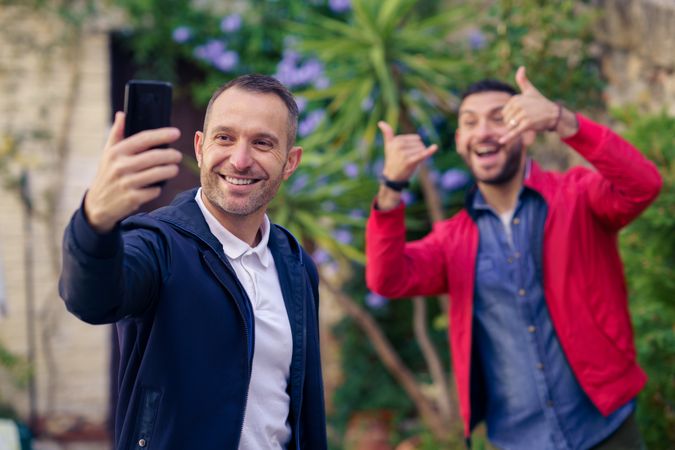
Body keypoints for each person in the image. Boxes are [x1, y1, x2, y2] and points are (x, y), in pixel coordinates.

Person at [365, 67, 662, 449]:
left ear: (528, 130)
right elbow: (386, 279)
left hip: (605, 427)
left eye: (500, 118)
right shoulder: (452, 240)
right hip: (517, 439)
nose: (484, 131)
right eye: (470, 123)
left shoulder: (577, 197)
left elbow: (643, 185)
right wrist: (391, 188)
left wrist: (562, 118)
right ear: (459, 141)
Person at [59, 74, 327, 449]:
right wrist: (94, 222)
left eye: (263, 143)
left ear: (290, 162)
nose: (240, 159)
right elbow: (90, 298)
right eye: (225, 137)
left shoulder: (295, 265)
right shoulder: (158, 245)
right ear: (200, 147)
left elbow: (304, 410)